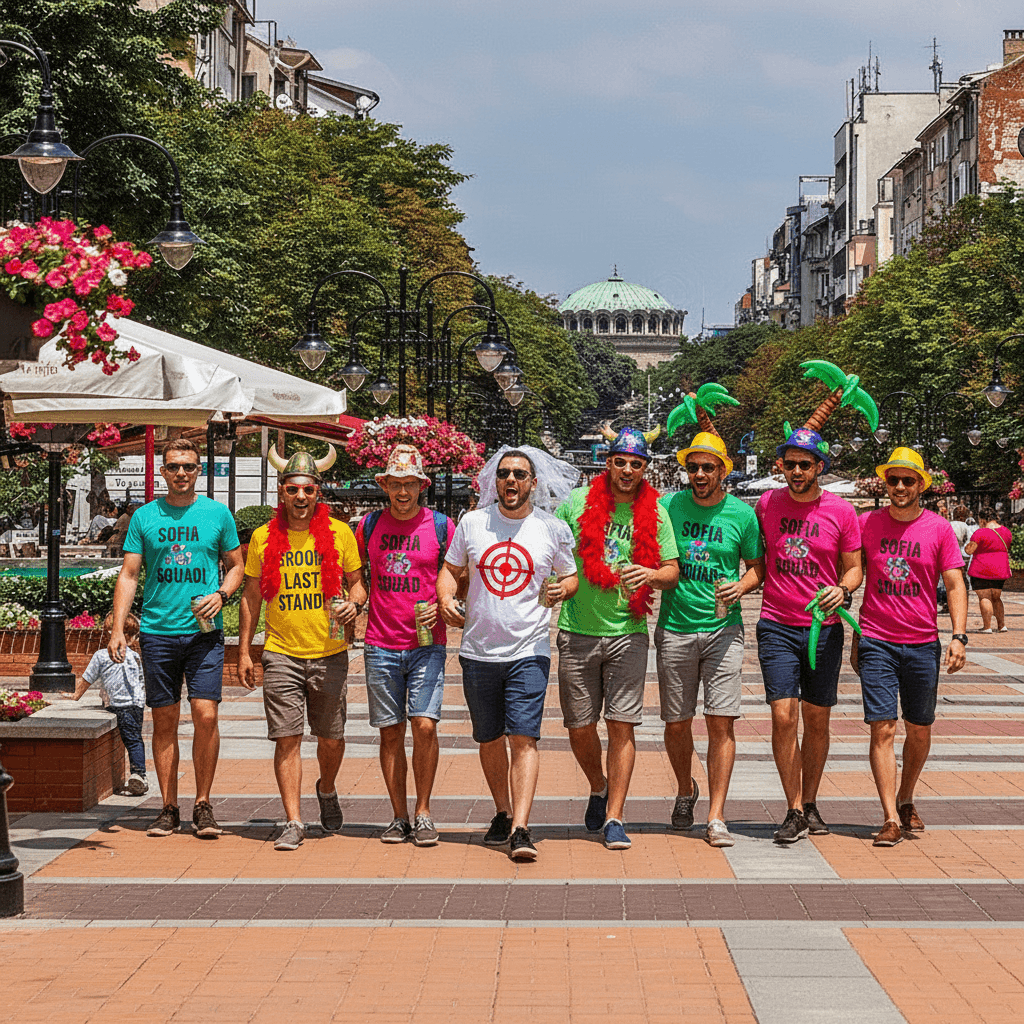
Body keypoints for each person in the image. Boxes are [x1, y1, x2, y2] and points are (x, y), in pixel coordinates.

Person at [438, 449, 578, 861]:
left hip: (528, 650)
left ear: (534, 482)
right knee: (488, 737)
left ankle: (520, 826)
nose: (511, 481)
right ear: (493, 482)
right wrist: (446, 596)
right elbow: (451, 569)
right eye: (504, 474)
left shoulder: (552, 529)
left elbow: (570, 576)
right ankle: (501, 809)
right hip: (478, 650)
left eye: (520, 474)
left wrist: (561, 590)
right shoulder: (473, 523)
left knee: (524, 737)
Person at [109, 439, 244, 838]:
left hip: (203, 635)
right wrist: (118, 627)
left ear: (198, 469)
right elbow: (130, 575)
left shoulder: (218, 514)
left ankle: (203, 803)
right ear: (163, 472)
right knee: (164, 720)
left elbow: (237, 566)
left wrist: (221, 595)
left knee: (206, 715)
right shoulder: (145, 517)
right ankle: (168, 806)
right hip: (157, 633)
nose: (180, 473)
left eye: (187, 466)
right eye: (173, 467)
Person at [554, 427, 679, 851]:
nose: (627, 470)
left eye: (636, 463)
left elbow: (672, 571)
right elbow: (550, 552)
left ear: (645, 468)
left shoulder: (657, 512)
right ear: (607, 462)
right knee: (579, 726)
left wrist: (651, 575)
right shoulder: (576, 504)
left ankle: (615, 816)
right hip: (577, 630)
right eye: (620, 461)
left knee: (622, 726)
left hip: (629, 632)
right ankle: (597, 784)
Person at [237, 445, 365, 851]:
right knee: (286, 737)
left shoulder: (340, 534)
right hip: (281, 652)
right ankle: (293, 820)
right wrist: (245, 651)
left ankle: (326, 788)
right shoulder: (261, 537)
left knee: (331, 737)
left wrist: (354, 604)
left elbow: (359, 584)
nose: (300, 497)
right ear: (281, 492)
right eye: (292, 489)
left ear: (318, 492)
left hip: (329, 652)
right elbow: (251, 596)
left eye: (307, 490)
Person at [852, 447, 967, 846]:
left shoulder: (938, 528)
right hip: (877, 640)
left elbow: (954, 584)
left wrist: (958, 635)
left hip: (921, 642)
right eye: (893, 480)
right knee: (882, 726)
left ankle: (906, 796)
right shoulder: (866, 523)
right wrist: (855, 636)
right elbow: (853, 576)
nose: (899, 487)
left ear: (921, 485)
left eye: (907, 480)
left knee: (919, 728)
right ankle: (889, 817)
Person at [657, 431, 764, 848]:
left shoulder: (742, 514)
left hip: (724, 630)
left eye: (708, 467)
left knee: (721, 721)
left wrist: (742, 586)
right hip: (676, 627)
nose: (699, 474)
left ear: (723, 471)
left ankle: (716, 814)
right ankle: (686, 788)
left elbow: (757, 566)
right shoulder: (669, 506)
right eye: (693, 467)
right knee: (676, 722)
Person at [755, 425, 862, 843]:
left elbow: (854, 567)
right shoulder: (767, 503)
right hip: (777, 623)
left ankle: (811, 802)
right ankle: (793, 808)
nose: (795, 471)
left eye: (804, 464)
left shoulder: (841, 511)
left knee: (817, 719)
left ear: (820, 466)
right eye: (789, 463)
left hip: (825, 628)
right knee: (784, 716)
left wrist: (844, 589)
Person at [355, 444, 455, 846]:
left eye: (409, 484)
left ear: (421, 486)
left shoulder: (441, 526)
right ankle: (398, 815)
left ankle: (424, 810)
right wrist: (355, 601)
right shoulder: (367, 526)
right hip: (380, 643)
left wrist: (445, 601)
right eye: (394, 484)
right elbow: (356, 577)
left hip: (427, 643)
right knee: (390, 732)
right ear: (383, 485)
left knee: (425, 726)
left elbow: (457, 573)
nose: (401, 492)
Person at [75, 611, 148, 795]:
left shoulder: (101, 656)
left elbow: (87, 679)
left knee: (132, 740)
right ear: (111, 632)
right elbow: (140, 680)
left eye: (133, 634)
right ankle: (138, 774)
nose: (132, 638)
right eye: (129, 633)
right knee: (135, 738)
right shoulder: (135, 656)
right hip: (136, 705)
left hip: (119, 705)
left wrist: (75, 696)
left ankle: (139, 774)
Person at [964, 506, 1012, 633]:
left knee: (984, 597)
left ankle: (987, 627)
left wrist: (966, 546)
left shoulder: (980, 533)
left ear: (982, 519)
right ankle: (1002, 625)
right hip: (1001, 568)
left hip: (982, 568)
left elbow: (969, 550)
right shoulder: (1006, 531)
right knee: (996, 597)